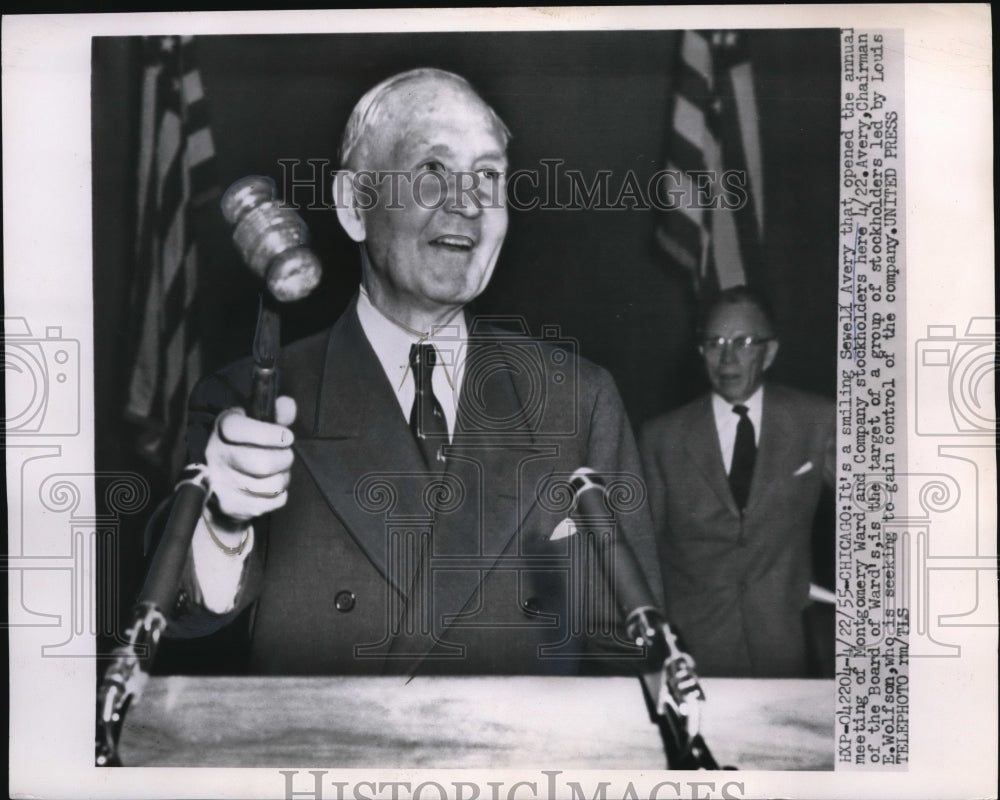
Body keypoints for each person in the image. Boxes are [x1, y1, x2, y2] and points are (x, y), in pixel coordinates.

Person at [159, 68, 661, 676]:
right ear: (354, 206)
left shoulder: (579, 400)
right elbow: (187, 631)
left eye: (489, 176)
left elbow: (628, 656)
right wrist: (222, 519)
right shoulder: (243, 407)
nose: (467, 203)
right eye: (431, 171)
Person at [639, 286, 835, 677]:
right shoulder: (661, 437)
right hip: (692, 653)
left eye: (743, 342)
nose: (727, 357)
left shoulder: (817, 421)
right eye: (714, 343)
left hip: (785, 651)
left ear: (770, 352)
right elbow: (644, 555)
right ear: (700, 352)